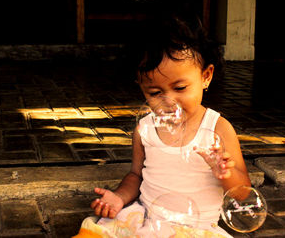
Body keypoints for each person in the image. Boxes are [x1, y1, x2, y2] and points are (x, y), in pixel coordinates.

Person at [73, 15, 251, 238]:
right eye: (155, 93)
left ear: (206, 77)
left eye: (180, 88)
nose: (169, 101)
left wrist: (224, 173)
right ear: (141, 87)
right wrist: (119, 197)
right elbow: (135, 176)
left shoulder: (218, 128)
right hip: (147, 220)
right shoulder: (145, 129)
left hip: (195, 230)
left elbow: (243, 193)